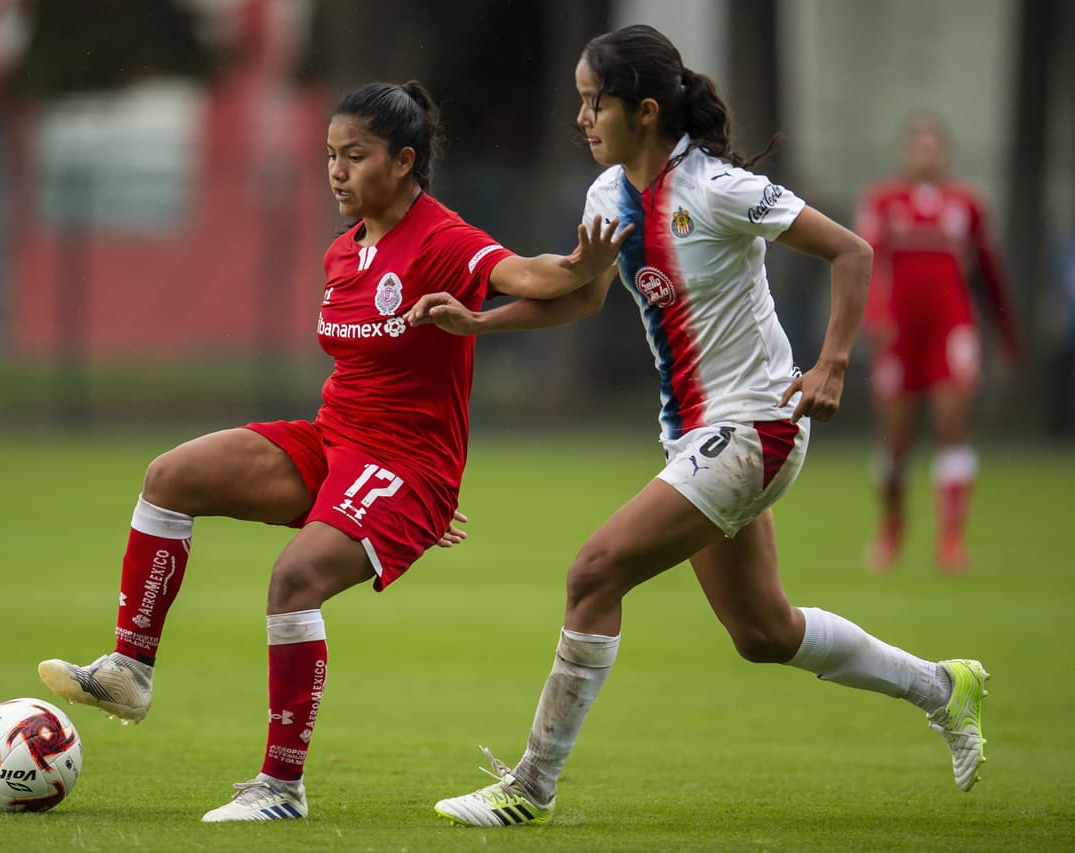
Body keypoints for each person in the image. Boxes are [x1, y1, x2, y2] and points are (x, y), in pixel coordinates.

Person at [415, 25, 991, 829]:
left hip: (758, 426)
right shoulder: (608, 194)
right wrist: (480, 324)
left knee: (592, 573)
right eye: (580, 102)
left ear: (645, 111)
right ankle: (942, 686)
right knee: (763, 631)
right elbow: (581, 294)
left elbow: (852, 251)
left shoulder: (717, 188)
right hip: (695, 438)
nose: (582, 119)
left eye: (595, 103)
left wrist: (830, 364)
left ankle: (529, 786)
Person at [36, 80, 630, 822]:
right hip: (334, 443)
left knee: (295, 579)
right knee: (169, 476)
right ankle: (129, 668)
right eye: (329, 155)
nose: (337, 171)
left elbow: (536, 277)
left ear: (405, 161)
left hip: (405, 467)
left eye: (355, 156)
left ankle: (280, 788)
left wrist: (585, 262)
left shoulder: (441, 238)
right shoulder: (343, 254)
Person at [855, 113, 1020, 573]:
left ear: (945, 153)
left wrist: (1008, 336)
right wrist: (876, 316)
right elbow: (867, 261)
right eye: (918, 145)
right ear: (905, 153)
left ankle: (951, 541)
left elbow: (989, 272)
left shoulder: (967, 204)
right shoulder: (882, 202)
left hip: (952, 326)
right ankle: (891, 530)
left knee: (952, 423)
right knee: (896, 438)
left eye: (934, 145)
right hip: (900, 333)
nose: (926, 153)